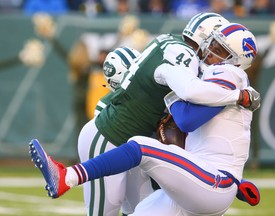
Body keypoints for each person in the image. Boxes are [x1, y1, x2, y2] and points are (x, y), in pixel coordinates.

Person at [31, 13, 259, 216]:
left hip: (206, 178)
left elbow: (187, 119)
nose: (210, 52)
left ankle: (68, 177)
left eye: (219, 50)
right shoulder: (193, 60)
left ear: (236, 61)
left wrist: (236, 96)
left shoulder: (227, 74)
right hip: (123, 140)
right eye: (212, 44)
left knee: (141, 149)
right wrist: (239, 96)